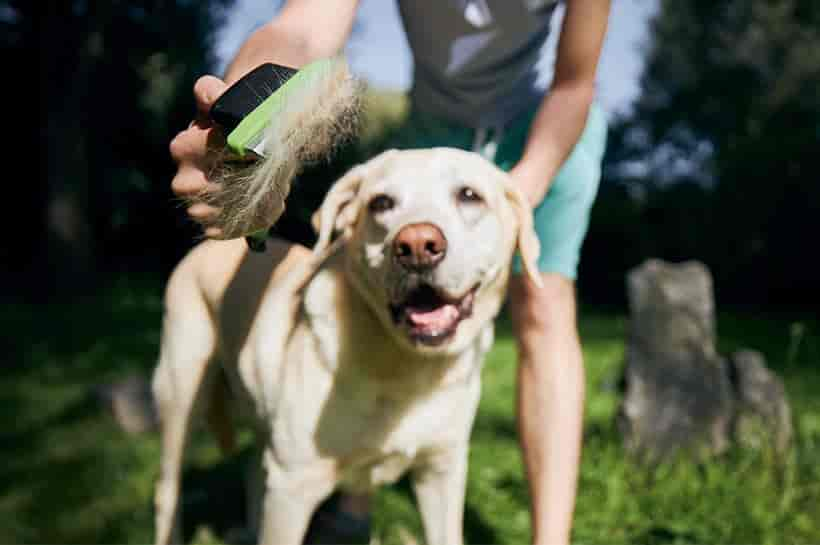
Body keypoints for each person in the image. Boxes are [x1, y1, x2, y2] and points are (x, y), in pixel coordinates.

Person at [169, 1, 610, 543]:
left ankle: (551, 538)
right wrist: (239, 123)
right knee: (382, 292)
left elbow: (574, 85)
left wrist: (516, 197)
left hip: (544, 122)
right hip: (433, 122)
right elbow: (305, 31)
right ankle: (352, 502)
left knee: (545, 307)